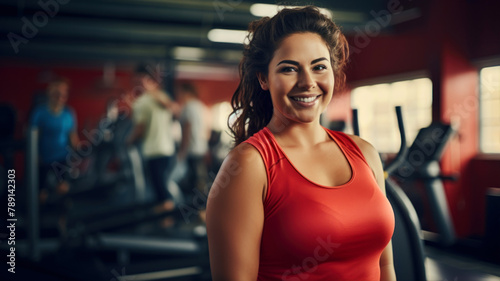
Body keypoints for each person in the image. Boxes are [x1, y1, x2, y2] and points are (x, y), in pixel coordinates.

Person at [206, 6, 396, 281]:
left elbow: (385, 267)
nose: (308, 82)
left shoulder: (365, 153)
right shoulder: (248, 165)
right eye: (289, 69)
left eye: (319, 67)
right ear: (263, 78)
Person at [126, 64, 178, 213]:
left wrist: (128, 141)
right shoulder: (160, 97)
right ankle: (165, 220)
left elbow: (139, 129)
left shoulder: (144, 102)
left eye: (141, 81)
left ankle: (165, 220)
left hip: (154, 151)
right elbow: (174, 110)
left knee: (161, 191)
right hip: (167, 150)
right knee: (161, 188)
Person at [30, 77, 79, 204]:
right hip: (43, 159)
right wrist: (34, 157)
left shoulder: (69, 113)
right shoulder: (39, 113)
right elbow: (33, 139)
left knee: (63, 190)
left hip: (62, 158)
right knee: (41, 195)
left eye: (63, 94)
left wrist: (78, 152)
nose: (60, 97)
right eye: (57, 94)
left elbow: (73, 137)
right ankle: (39, 221)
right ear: (50, 94)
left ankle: (61, 221)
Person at [176, 82, 209, 195]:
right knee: (200, 181)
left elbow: (187, 130)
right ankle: (201, 206)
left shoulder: (188, 107)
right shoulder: (201, 106)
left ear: (186, 92)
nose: (178, 95)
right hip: (201, 148)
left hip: (191, 149)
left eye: (179, 92)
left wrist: (182, 151)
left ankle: (194, 207)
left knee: (191, 183)